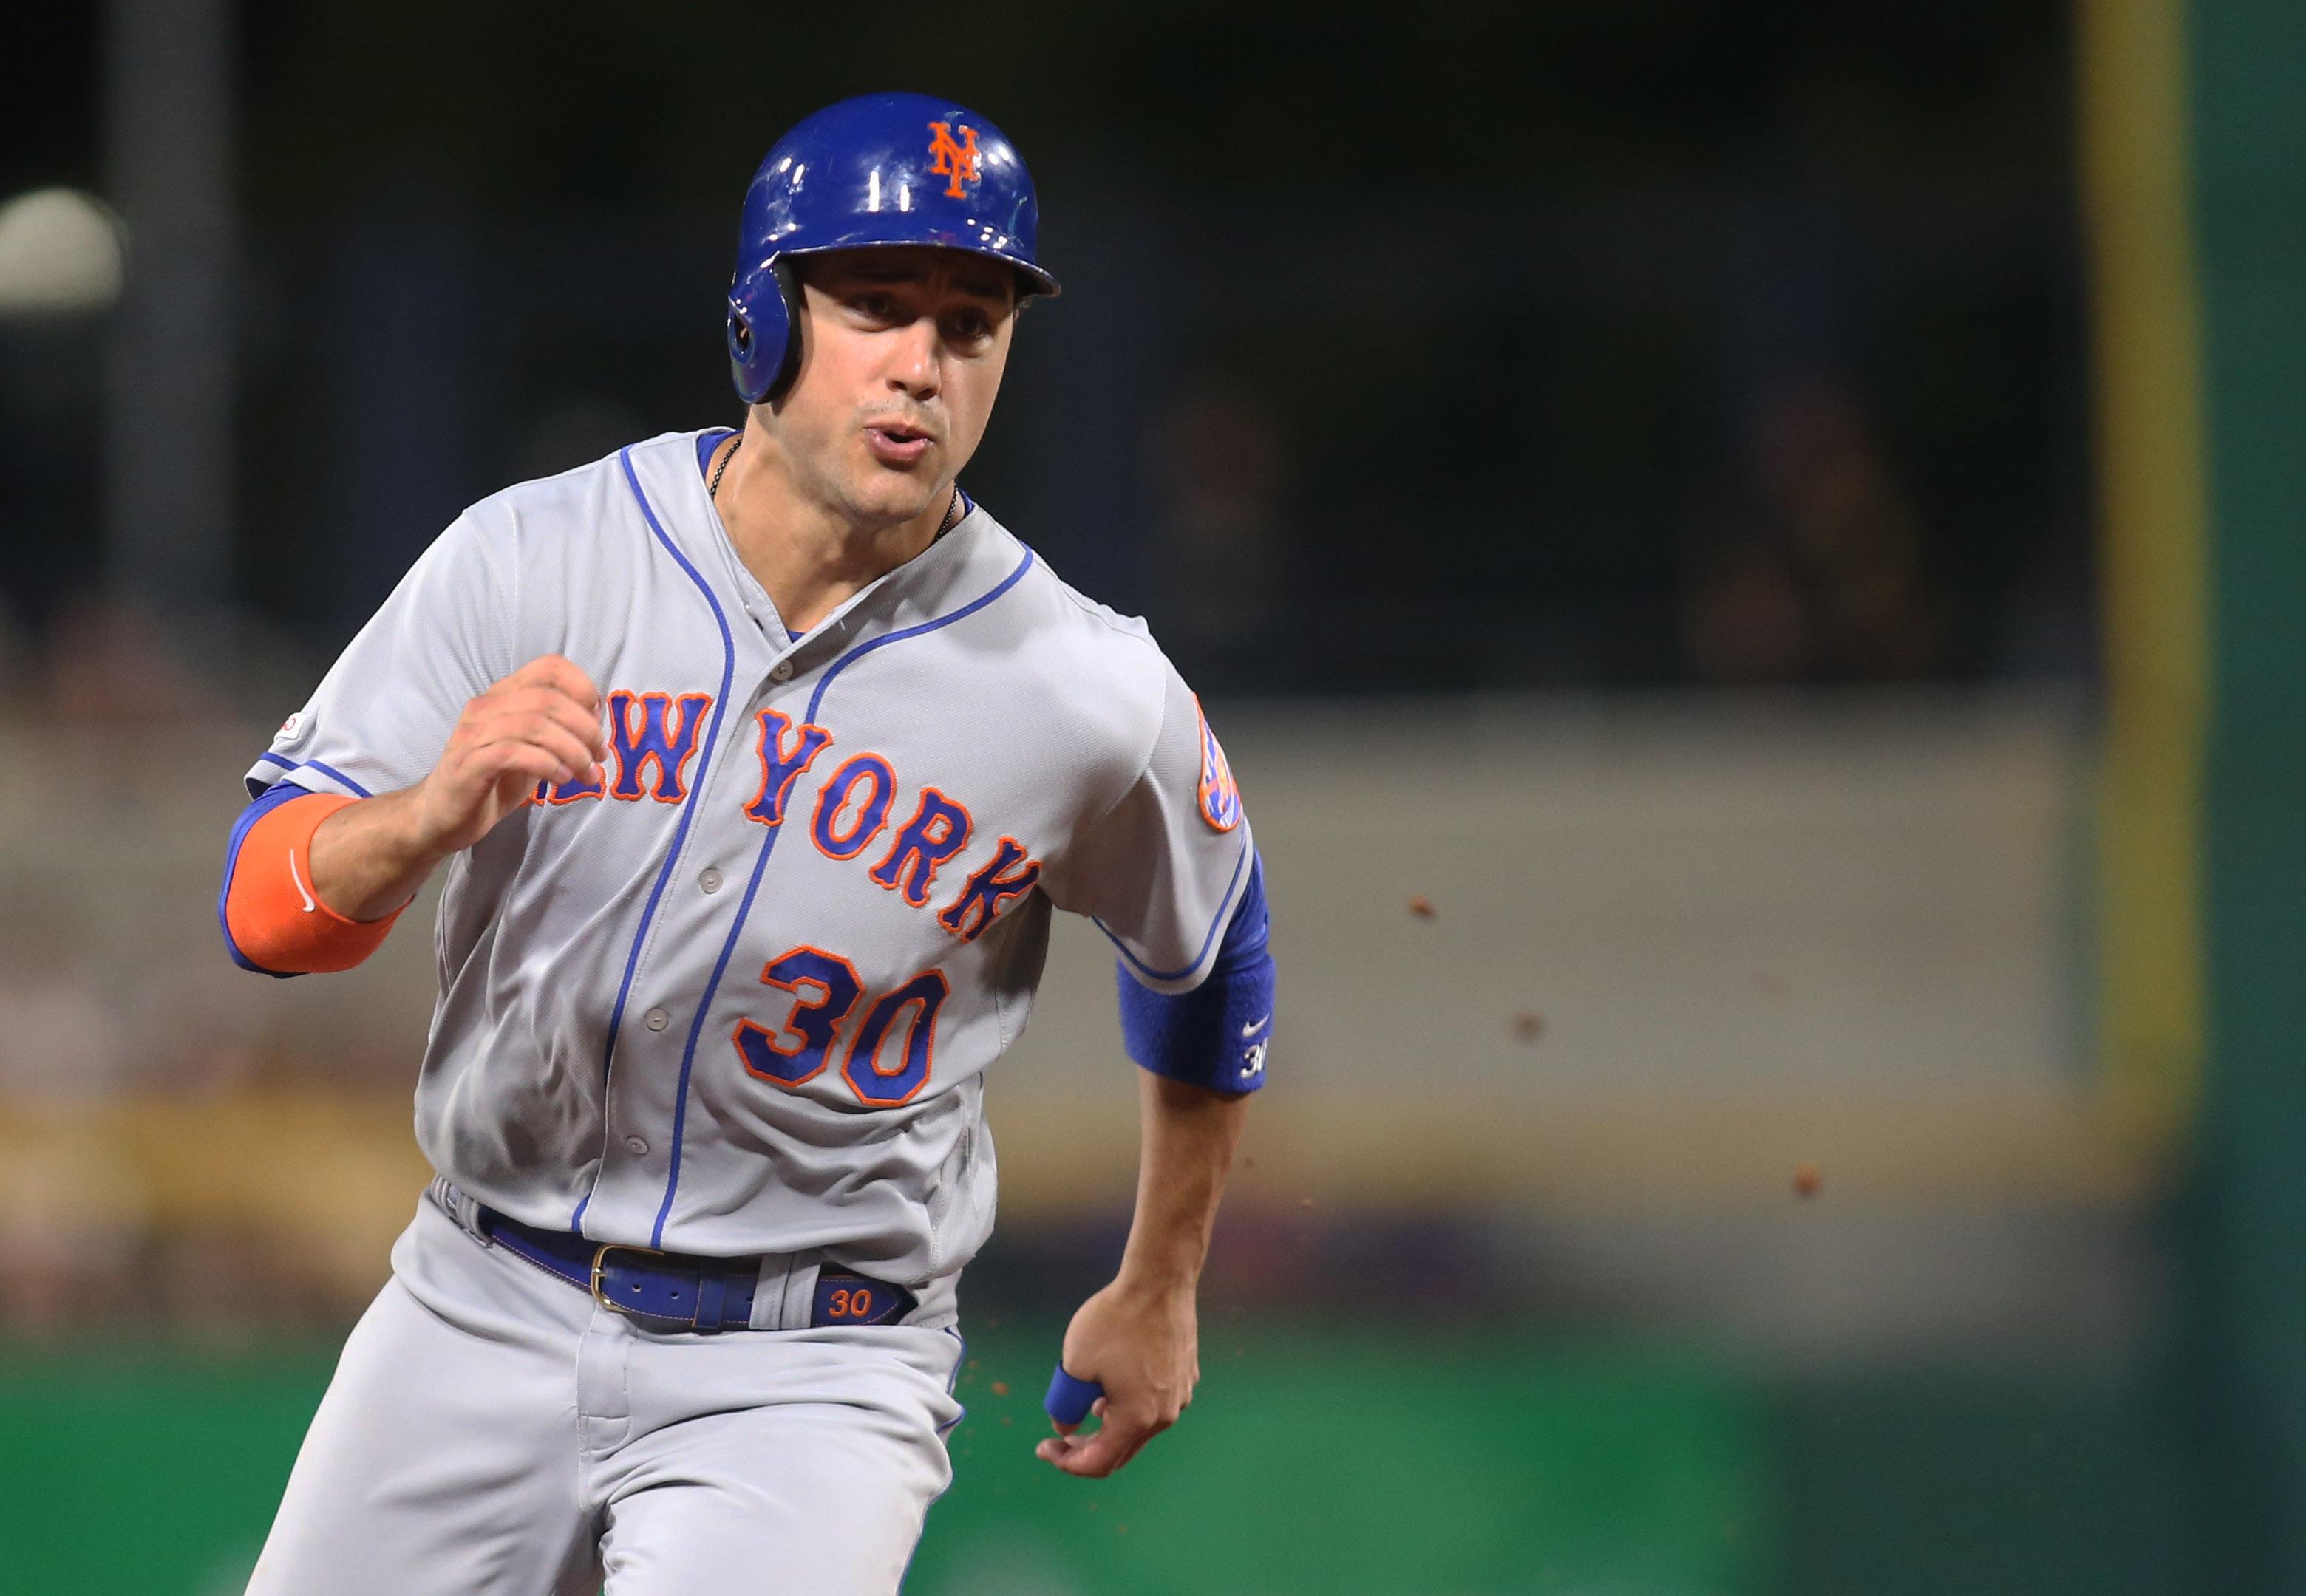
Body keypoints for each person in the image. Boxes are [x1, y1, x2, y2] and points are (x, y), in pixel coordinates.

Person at [218, 92, 1275, 1594]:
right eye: (877, 306)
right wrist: (420, 820)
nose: (923, 361)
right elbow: (263, 913)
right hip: (478, 1300)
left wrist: (1162, 1282)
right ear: (762, 324)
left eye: (972, 323)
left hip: (812, 1375)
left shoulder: (1084, 690)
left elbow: (1215, 950)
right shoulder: (537, 558)